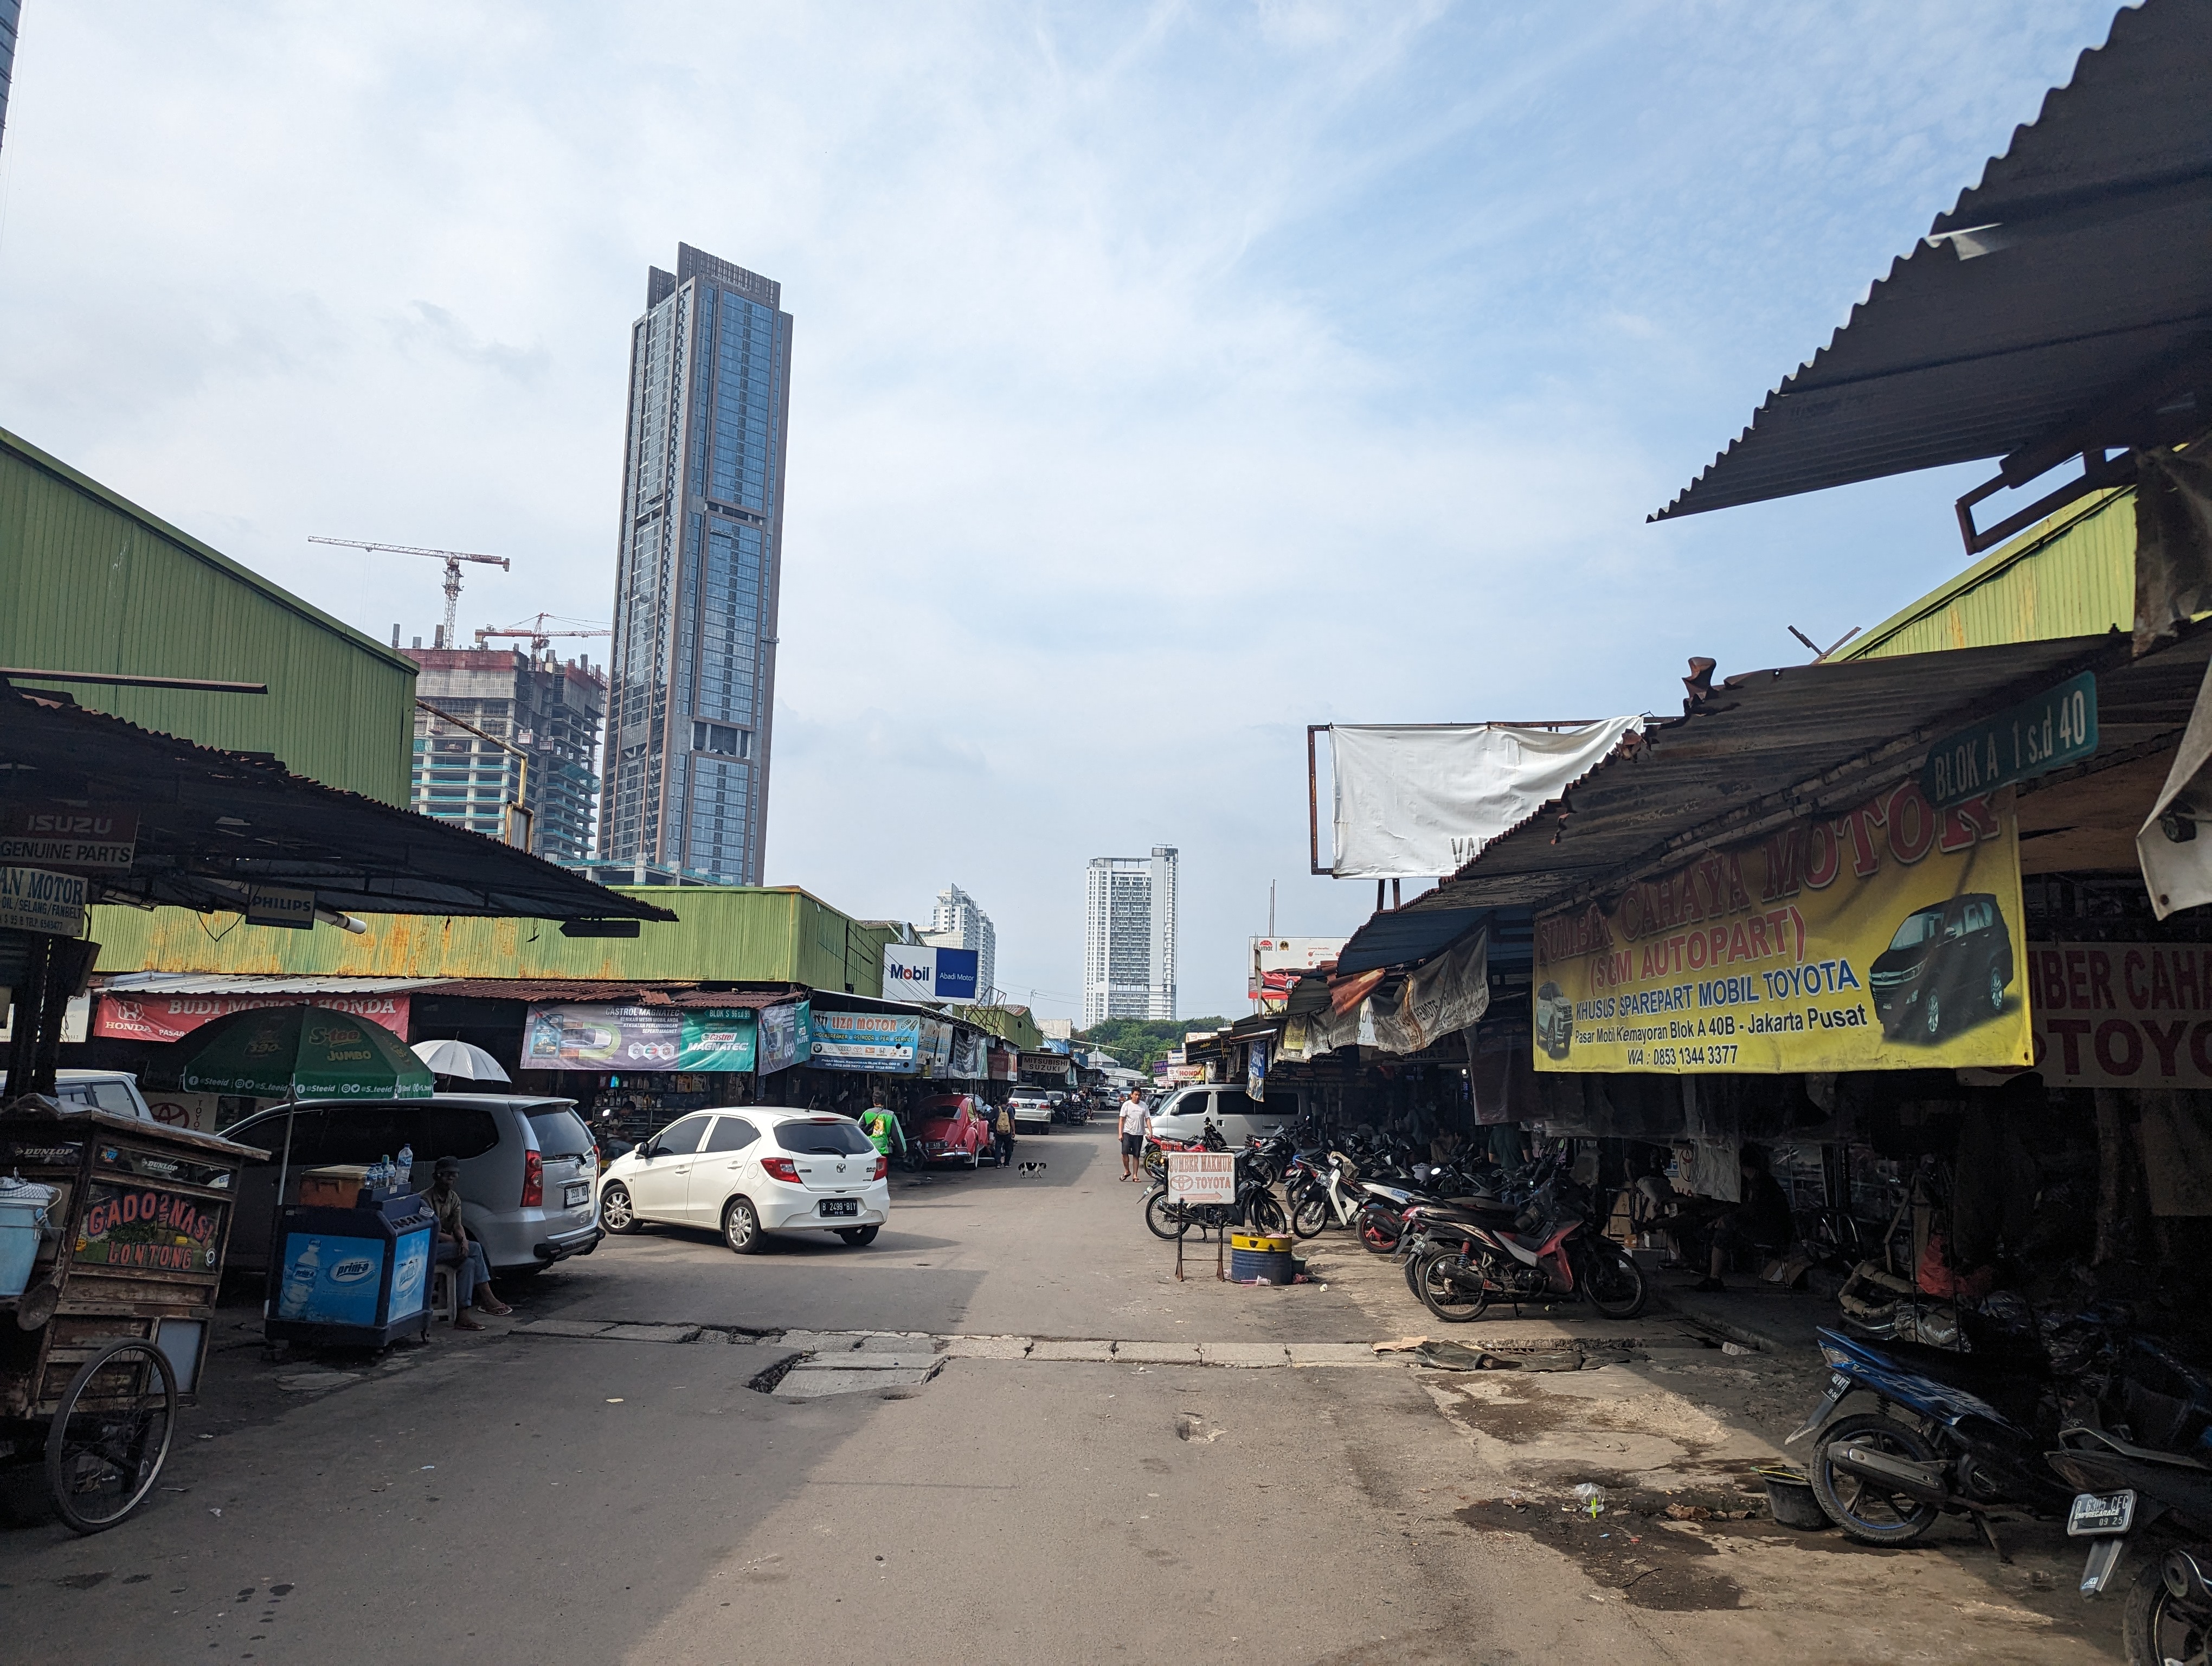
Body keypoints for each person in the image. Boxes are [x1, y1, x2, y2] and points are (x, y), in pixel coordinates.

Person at [1693, 1145, 1795, 1292]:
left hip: (1773, 1232)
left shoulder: (1762, 1184)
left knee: (1725, 1231)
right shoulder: (1754, 1183)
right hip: (1766, 1228)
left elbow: (1754, 1211)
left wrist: (1728, 1220)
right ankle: (1712, 1273)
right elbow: (1743, 1208)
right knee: (1723, 1228)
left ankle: (1714, 1278)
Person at [429, 1157, 510, 1330]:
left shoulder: (454, 1199)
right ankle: (488, 1298)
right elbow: (432, 1230)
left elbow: (457, 1225)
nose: (451, 1179)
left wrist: (463, 1240)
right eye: (446, 1175)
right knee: (475, 1248)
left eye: (454, 1175)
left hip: (446, 1249)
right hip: (428, 1249)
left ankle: (463, 1315)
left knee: (469, 1262)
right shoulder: (425, 1199)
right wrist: (459, 1242)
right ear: (436, 1176)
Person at [860, 1099, 906, 1167]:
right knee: (882, 1174)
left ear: (874, 1102)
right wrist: (902, 1151)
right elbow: (897, 1135)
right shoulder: (890, 1115)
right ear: (884, 1103)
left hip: (869, 1150)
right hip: (883, 1151)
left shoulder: (866, 1113)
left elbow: (857, 1130)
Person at [1118, 1088, 1148, 1181]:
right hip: (1127, 1132)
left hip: (1139, 1134)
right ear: (1131, 1095)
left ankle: (1135, 1176)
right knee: (1124, 1152)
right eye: (1135, 1095)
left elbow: (1148, 1119)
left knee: (1136, 1155)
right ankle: (1127, 1171)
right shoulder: (1126, 1105)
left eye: (1139, 1095)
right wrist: (1120, 1134)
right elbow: (1121, 1120)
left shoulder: (1144, 1106)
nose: (1137, 1097)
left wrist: (1150, 1131)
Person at [992, 1099, 1015, 1168]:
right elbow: (1012, 1120)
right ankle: (1007, 1163)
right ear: (1007, 1102)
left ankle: (998, 1164)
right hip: (1007, 1132)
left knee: (998, 1147)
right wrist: (1013, 1131)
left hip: (998, 1132)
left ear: (1000, 1102)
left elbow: (990, 1117)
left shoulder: (996, 1109)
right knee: (1008, 1148)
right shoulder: (1010, 1110)